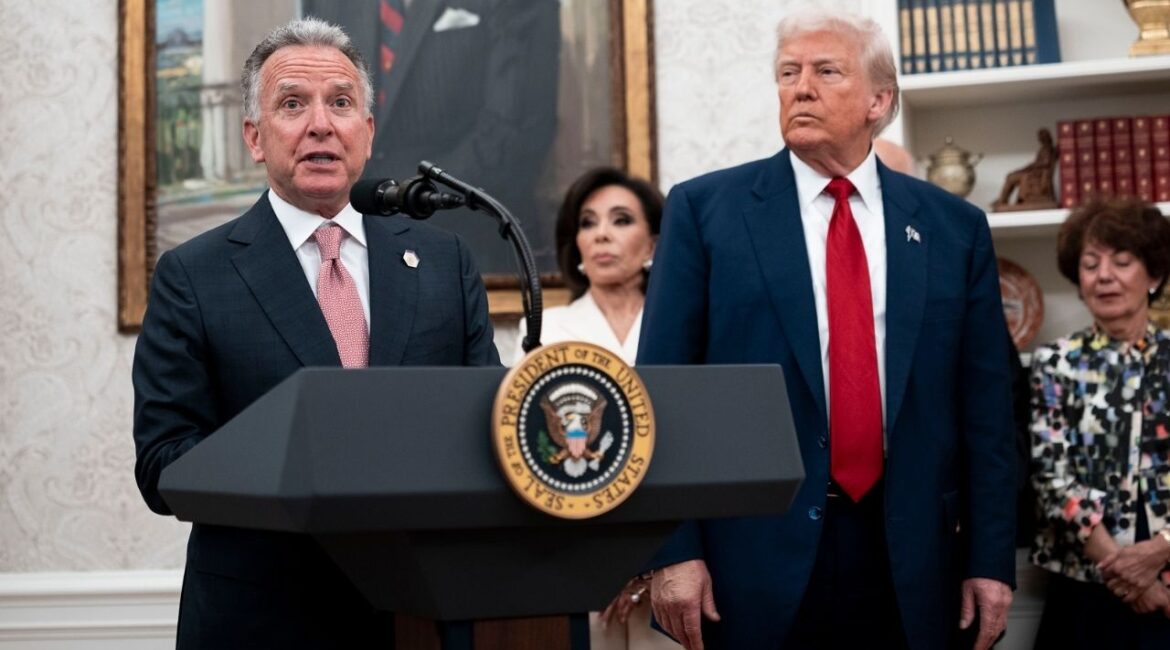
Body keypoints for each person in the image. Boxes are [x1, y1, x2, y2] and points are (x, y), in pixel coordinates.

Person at [638, 9, 1017, 650]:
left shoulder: (953, 228)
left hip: (913, 559)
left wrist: (990, 559)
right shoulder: (705, 212)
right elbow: (661, 394)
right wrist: (673, 551)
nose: (801, 89)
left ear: (879, 100)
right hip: (752, 558)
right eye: (789, 73)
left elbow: (986, 412)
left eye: (826, 72)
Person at [132, 18, 499, 648]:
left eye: (341, 103)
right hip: (263, 617)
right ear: (255, 136)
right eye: (293, 104)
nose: (321, 125)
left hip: (422, 611)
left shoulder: (444, 262)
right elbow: (163, 464)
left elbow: (484, 423)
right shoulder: (193, 275)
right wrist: (304, 462)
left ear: (367, 131)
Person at [512, 167, 676, 650]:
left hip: (673, 562)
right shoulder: (545, 331)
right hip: (576, 559)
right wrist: (608, 565)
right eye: (588, 222)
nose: (601, 233)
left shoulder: (680, 325)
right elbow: (534, 460)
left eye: (621, 220)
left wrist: (653, 563)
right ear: (577, 246)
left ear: (653, 244)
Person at [1029, 198, 1170, 648]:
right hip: (1086, 583)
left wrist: (1161, 550)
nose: (1104, 275)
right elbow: (1051, 478)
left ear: (1154, 276)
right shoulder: (1056, 363)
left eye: (1122, 262)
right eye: (1091, 264)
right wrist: (1126, 572)